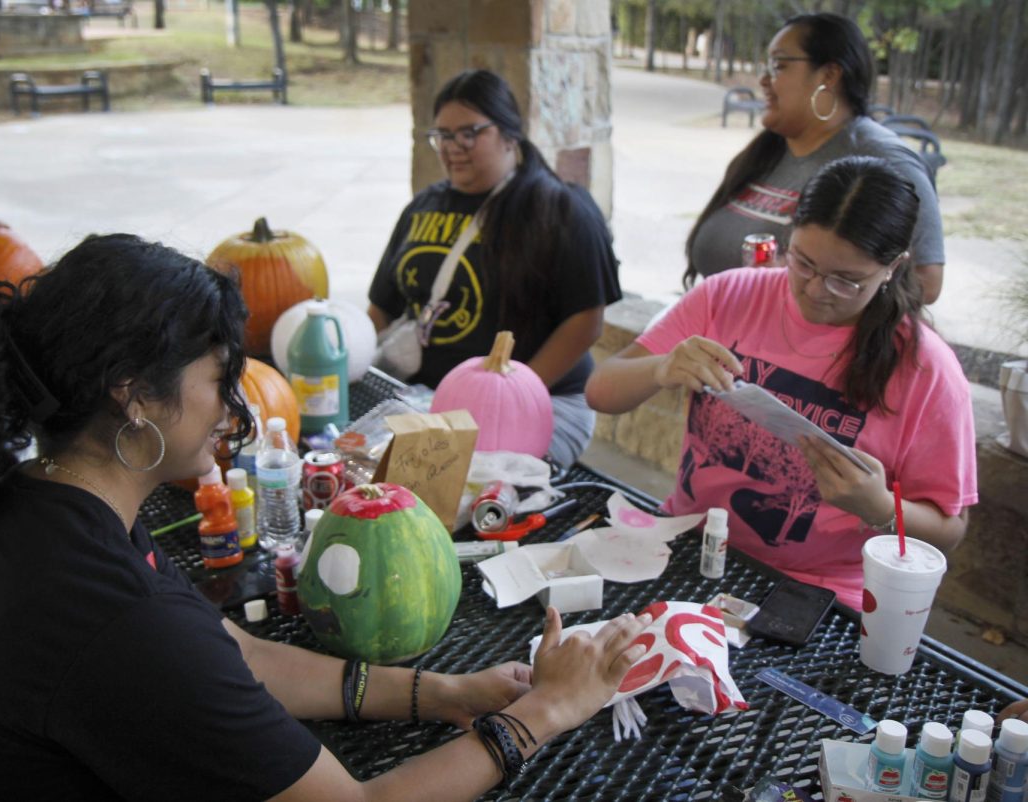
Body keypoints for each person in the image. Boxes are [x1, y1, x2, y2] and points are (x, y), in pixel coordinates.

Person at [0, 233, 650, 801]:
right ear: (132, 392)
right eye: (220, 379)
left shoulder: (45, 499)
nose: (235, 410)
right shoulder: (110, 616)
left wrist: (447, 693)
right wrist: (546, 711)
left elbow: (239, 660)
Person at [586, 156, 976, 611]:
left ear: (893, 267)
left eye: (847, 281)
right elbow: (601, 390)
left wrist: (880, 507)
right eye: (804, 263)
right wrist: (660, 368)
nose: (815, 290)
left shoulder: (926, 369)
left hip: (818, 591)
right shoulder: (729, 294)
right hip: (689, 546)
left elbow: (950, 529)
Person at [367, 69, 621, 468]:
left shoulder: (561, 211)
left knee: (476, 499)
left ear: (509, 133)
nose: (453, 147)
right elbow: (381, 307)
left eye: (469, 133)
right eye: (443, 136)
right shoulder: (423, 206)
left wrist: (512, 399)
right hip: (429, 399)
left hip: (542, 402)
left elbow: (585, 321)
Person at [684, 13, 945, 304]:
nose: (764, 80)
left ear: (829, 75)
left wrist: (800, 279)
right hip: (722, 339)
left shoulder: (885, 161)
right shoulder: (765, 153)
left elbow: (927, 283)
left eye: (779, 65)